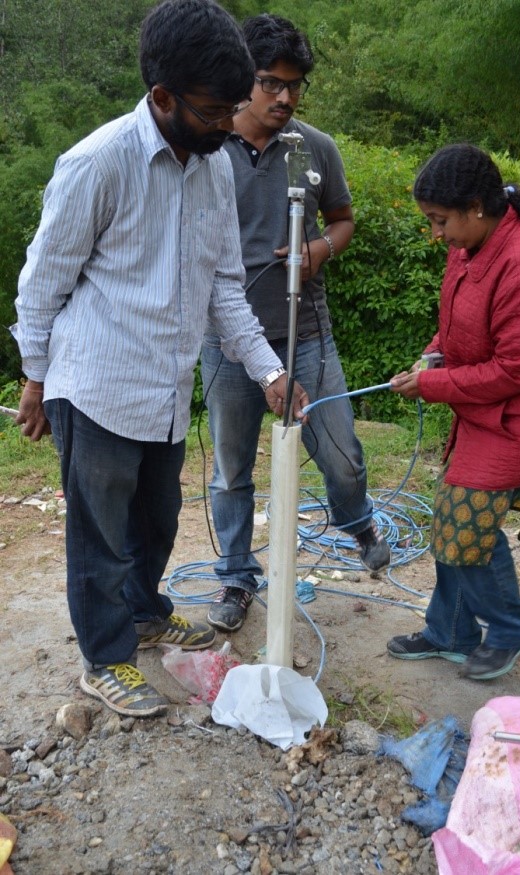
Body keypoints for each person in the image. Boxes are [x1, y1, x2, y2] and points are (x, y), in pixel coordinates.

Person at [11, 0, 308, 718]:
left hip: (167, 390)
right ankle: (105, 658)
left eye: (234, 106)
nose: (227, 124)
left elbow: (223, 290)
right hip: (97, 385)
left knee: (158, 519)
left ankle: (144, 610)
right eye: (214, 110)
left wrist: (268, 369)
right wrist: (35, 374)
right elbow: (43, 278)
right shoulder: (97, 163)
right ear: (163, 98)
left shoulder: (211, 169)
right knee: (99, 533)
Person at [202, 13, 390, 634]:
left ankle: (356, 520)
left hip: (306, 332)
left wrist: (319, 251)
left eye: (295, 85)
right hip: (230, 345)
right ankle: (234, 575)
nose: (285, 97)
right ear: (242, 81)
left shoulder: (314, 149)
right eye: (271, 83)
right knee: (232, 468)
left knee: (340, 452)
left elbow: (341, 219)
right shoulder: (206, 152)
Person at [387, 143, 520, 680]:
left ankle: (514, 625)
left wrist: (433, 384)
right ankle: (451, 632)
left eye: (440, 221)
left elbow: (517, 369)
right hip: (489, 407)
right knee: (454, 516)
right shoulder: (470, 245)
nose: (436, 234)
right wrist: (434, 354)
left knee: (463, 519)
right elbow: (457, 322)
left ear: (475, 207)